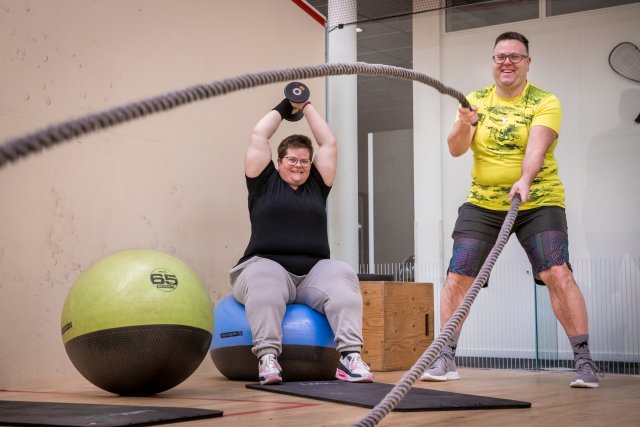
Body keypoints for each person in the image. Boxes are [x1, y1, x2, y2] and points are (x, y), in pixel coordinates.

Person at [420, 32, 600, 388]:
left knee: (557, 272)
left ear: (527, 62)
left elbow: (537, 146)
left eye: (515, 57)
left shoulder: (545, 101)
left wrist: (525, 179)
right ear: (492, 62)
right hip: (483, 201)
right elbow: (456, 149)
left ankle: (584, 361)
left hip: (538, 198)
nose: (507, 62)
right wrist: (463, 124)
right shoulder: (476, 99)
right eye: (501, 56)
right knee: (459, 274)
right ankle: (445, 357)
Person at [229, 89, 373, 385]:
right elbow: (259, 135)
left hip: (312, 275)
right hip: (262, 266)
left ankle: (349, 357)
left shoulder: (317, 185)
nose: (298, 165)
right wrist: (286, 105)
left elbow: (328, 142)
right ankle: (268, 357)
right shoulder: (262, 182)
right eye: (292, 160)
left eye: (304, 161)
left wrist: (306, 105)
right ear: (278, 162)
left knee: (342, 274)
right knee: (266, 279)